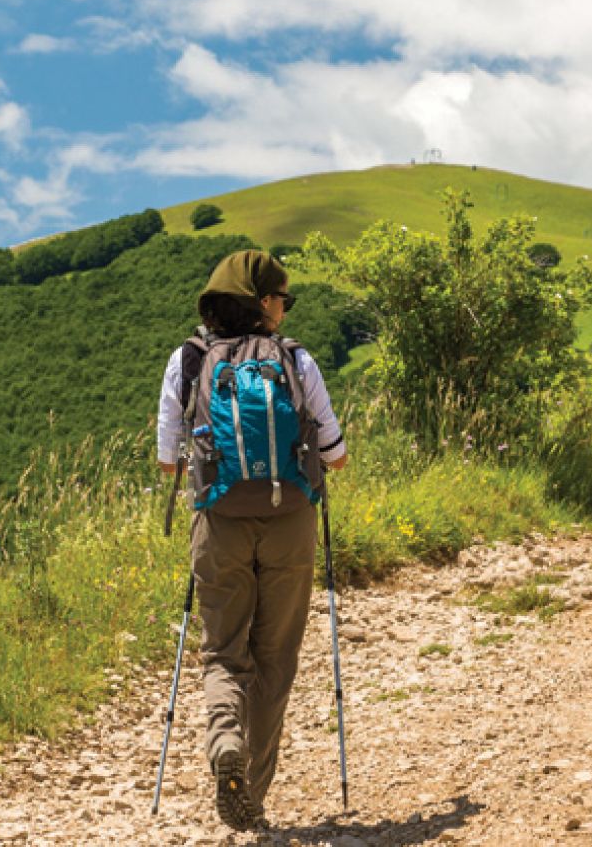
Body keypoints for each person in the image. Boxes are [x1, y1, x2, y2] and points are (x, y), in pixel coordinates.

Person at [157, 249, 348, 832]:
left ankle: (224, 745)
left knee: (223, 653)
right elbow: (335, 457)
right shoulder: (296, 360)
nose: (285, 309)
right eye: (282, 299)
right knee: (275, 660)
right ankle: (253, 798)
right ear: (262, 302)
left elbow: (169, 462)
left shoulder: (188, 361)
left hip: (219, 525)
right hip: (290, 523)